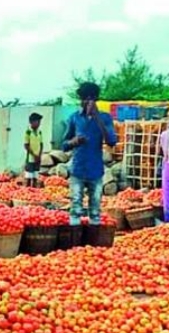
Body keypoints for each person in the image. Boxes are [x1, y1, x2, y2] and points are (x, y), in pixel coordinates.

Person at [62, 82, 117, 226]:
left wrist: (97, 117)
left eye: (91, 98)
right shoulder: (74, 118)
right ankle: (74, 242)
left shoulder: (105, 118)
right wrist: (74, 142)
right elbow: (64, 145)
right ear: (81, 99)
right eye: (85, 98)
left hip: (95, 169)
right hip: (78, 169)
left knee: (95, 210)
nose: (88, 102)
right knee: (75, 208)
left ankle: (94, 243)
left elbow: (111, 141)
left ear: (96, 99)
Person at [24, 113, 44, 188]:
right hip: (31, 157)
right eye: (37, 121)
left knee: (35, 176)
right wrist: (34, 155)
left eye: (39, 121)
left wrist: (39, 155)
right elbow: (26, 145)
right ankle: (27, 191)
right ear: (31, 122)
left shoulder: (40, 132)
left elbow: (41, 144)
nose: (39, 123)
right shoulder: (28, 132)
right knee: (29, 176)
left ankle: (34, 191)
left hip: (38, 157)